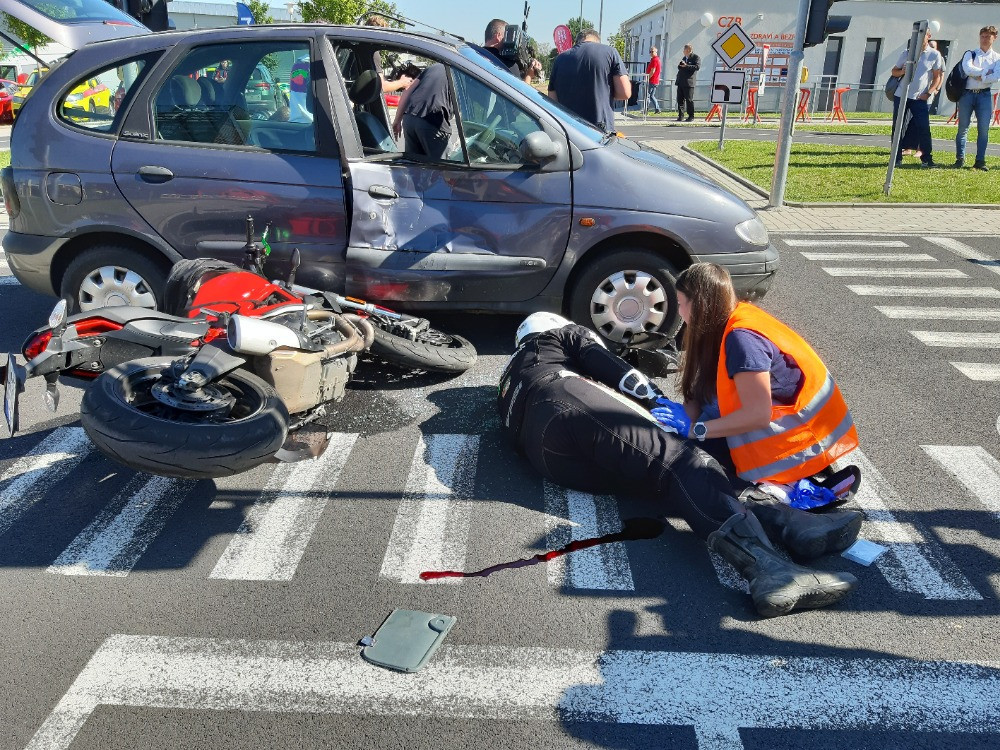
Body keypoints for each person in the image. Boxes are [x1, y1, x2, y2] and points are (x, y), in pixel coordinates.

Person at [498, 311, 861, 618]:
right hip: (566, 401)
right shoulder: (560, 336)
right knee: (683, 460)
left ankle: (792, 524)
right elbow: (619, 374)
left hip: (546, 458)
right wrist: (661, 407)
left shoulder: (510, 378)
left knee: (662, 477)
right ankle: (771, 570)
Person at [651, 264, 859, 495]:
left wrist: (696, 431)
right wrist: (685, 419)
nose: (679, 311)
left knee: (697, 461)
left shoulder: (742, 341)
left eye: (681, 304)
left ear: (699, 305)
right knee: (710, 408)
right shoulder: (730, 317)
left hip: (796, 446)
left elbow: (757, 415)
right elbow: (702, 387)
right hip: (788, 429)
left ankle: (787, 485)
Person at [548, 29, 630, 133]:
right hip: (600, 129)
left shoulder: (560, 59)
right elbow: (625, 93)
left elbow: (552, 99)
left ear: (577, 42)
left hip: (569, 130)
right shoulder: (610, 52)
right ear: (597, 40)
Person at [891, 30, 944, 168]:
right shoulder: (907, 53)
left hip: (920, 98)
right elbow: (894, 71)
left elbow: (937, 76)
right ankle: (896, 158)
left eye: (923, 35)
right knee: (898, 127)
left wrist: (929, 93)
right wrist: (902, 71)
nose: (920, 38)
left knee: (923, 127)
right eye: (917, 35)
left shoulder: (934, 54)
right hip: (901, 95)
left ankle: (927, 159)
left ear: (929, 36)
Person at [955, 25, 999, 171]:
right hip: (967, 94)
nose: (984, 39)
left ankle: (980, 161)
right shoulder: (971, 53)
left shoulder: (997, 58)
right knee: (963, 128)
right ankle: (960, 158)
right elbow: (967, 69)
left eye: (988, 37)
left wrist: (980, 75)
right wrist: (987, 72)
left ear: (994, 38)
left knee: (983, 129)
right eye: (982, 36)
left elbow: (996, 77)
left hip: (984, 95)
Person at [392, 62, 453, 160]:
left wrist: (397, 120)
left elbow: (407, 90)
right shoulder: (461, 72)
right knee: (442, 169)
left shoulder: (434, 67)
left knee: (414, 167)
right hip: (432, 119)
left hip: (409, 118)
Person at [364, 15, 415, 95]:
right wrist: (402, 82)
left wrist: (392, 81)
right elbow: (382, 87)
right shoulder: (373, 54)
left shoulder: (362, 48)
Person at [482, 18, 542, 84]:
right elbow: (520, 92)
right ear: (498, 36)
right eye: (508, 36)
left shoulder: (475, 55)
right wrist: (529, 76)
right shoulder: (507, 65)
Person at [675, 44, 699, 122]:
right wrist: (681, 65)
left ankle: (691, 116)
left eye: (684, 50)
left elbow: (696, 67)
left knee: (689, 100)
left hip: (689, 83)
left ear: (688, 50)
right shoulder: (684, 58)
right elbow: (680, 67)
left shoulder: (695, 57)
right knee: (680, 100)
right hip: (681, 82)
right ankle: (680, 116)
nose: (683, 51)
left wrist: (687, 66)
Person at [645, 45, 662, 115]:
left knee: (648, 95)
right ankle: (657, 108)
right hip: (654, 80)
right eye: (650, 52)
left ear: (656, 52)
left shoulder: (655, 60)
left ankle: (646, 109)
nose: (651, 53)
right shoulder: (654, 59)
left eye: (652, 51)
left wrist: (647, 78)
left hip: (652, 80)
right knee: (651, 96)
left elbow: (653, 71)